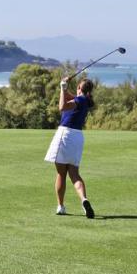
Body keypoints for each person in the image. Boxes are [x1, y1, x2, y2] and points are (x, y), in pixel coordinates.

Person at [44, 78, 96, 218]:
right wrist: (65, 88)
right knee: (74, 174)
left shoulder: (78, 101)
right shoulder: (85, 100)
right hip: (77, 137)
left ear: (79, 87)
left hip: (65, 135)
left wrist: (62, 88)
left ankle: (60, 206)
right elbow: (70, 96)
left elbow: (62, 106)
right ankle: (84, 200)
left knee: (61, 174)